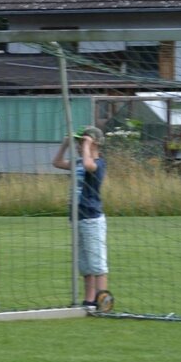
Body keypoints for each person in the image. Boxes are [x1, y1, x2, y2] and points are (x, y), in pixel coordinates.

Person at [52, 126, 110, 310]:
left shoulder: (98, 163)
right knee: (85, 264)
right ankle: (89, 300)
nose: (79, 146)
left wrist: (86, 146)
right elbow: (57, 162)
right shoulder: (78, 162)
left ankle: (103, 301)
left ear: (95, 143)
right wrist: (65, 144)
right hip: (78, 218)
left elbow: (88, 165)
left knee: (97, 263)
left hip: (92, 219)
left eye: (82, 142)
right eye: (78, 143)